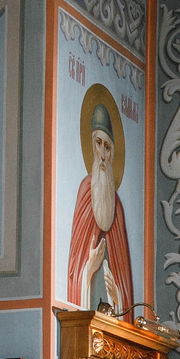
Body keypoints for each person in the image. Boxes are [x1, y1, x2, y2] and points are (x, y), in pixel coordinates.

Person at [67, 94, 135, 316]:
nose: (103, 155)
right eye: (98, 143)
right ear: (91, 144)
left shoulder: (118, 207)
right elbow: (75, 270)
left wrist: (117, 296)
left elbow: (123, 278)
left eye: (108, 147)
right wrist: (89, 269)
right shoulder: (86, 191)